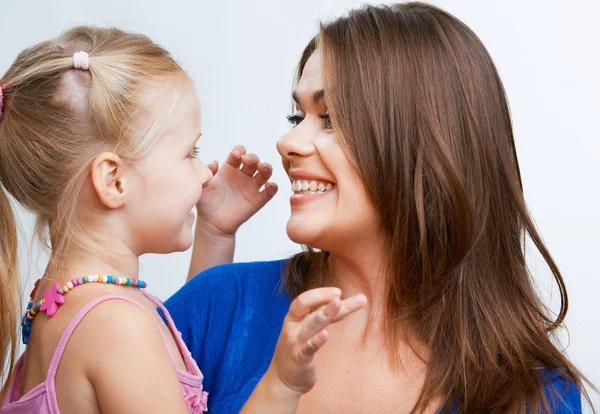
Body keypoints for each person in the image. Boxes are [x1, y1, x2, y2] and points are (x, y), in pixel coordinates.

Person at [166, 3, 593, 412]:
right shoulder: (218, 306)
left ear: (423, 146)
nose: (287, 143)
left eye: (331, 118)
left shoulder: (534, 394)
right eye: (298, 118)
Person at [0, 26, 365, 413]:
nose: (205, 173)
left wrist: (214, 233)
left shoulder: (56, 302)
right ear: (114, 181)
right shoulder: (118, 326)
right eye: (190, 152)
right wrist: (282, 382)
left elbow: (178, 352)